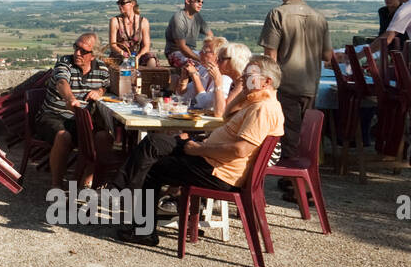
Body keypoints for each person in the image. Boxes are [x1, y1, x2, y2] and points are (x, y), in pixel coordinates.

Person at [112, 56, 285, 246]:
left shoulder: (263, 109)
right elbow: (226, 114)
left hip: (218, 171)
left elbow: (239, 150)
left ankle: (139, 223)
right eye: (243, 75)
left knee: (152, 167)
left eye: (249, 76)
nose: (243, 79)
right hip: (212, 158)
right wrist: (244, 91)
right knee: (154, 142)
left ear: (267, 81)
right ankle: (122, 190)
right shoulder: (256, 102)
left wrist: (198, 149)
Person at [259, 0, 334, 166]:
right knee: (307, 136)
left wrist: (267, 86)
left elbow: (270, 56)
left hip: (286, 83)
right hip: (310, 84)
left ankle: (292, 182)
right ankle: (304, 178)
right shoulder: (319, 17)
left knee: (288, 134)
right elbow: (327, 56)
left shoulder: (277, 14)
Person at [39, 33, 112, 191]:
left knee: (103, 137)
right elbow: (61, 82)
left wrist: (100, 91)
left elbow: (106, 86)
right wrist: (70, 98)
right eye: (76, 48)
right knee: (63, 136)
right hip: (55, 114)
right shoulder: (65, 62)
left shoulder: (102, 69)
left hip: (82, 120)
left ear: (93, 55)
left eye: (83, 51)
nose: (77, 53)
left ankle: (87, 181)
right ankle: (57, 186)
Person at [164, 0, 212, 67]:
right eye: (198, 1)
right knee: (196, 65)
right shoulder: (179, 18)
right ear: (188, 1)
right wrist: (200, 59)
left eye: (202, 2)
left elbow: (210, 35)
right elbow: (182, 47)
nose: (200, 4)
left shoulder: (197, 17)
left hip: (192, 52)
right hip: (176, 52)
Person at [108, 0, 156, 67]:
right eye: (118, 3)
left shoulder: (143, 22)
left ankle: (150, 77)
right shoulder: (114, 21)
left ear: (132, 4)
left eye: (122, 3)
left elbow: (146, 46)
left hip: (138, 55)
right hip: (120, 56)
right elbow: (112, 45)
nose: (120, 6)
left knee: (151, 60)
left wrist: (137, 57)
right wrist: (123, 53)